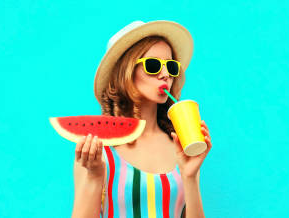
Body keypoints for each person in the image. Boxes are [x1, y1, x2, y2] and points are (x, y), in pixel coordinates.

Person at [71, 20, 212, 218]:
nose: (165, 75)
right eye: (153, 65)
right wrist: (94, 177)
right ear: (125, 72)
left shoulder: (182, 147)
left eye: (171, 67)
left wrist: (190, 176)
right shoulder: (98, 150)